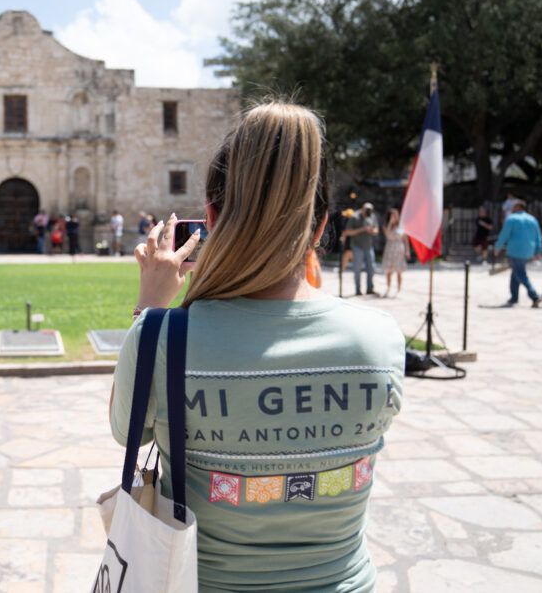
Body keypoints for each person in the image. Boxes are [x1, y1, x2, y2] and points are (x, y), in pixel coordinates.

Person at [112, 101, 404, 591]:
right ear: (320, 225)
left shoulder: (162, 339)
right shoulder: (378, 340)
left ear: (211, 216)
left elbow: (128, 433)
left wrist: (150, 307)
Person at [494, 199, 542, 307]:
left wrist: (497, 247)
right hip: (529, 250)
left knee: (520, 273)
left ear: (518, 207)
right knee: (516, 272)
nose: (511, 208)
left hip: (516, 250)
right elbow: (538, 236)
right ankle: (514, 297)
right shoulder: (532, 219)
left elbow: (504, 235)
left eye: (513, 206)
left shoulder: (512, 219)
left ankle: (534, 296)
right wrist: (538, 251)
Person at [344, 202, 379, 295]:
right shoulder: (354, 217)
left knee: (371, 268)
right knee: (357, 269)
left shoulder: (372, 216)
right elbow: (348, 232)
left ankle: (370, 289)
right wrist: (362, 229)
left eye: (370, 210)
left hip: (368, 246)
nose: (368, 212)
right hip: (357, 246)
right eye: (367, 210)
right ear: (362, 209)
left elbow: (376, 230)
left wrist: (371, 230)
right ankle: (358, 290)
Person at [380, 208, 410, 296]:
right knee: (389, 271)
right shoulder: (386, 226)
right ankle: (388, 288)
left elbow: (405, 239)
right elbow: (387, 234)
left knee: (398, 271)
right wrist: (390, 222)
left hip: (399, 250)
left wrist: (407, 251)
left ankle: (399, 289)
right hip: (390, 250)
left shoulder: (401, 226)